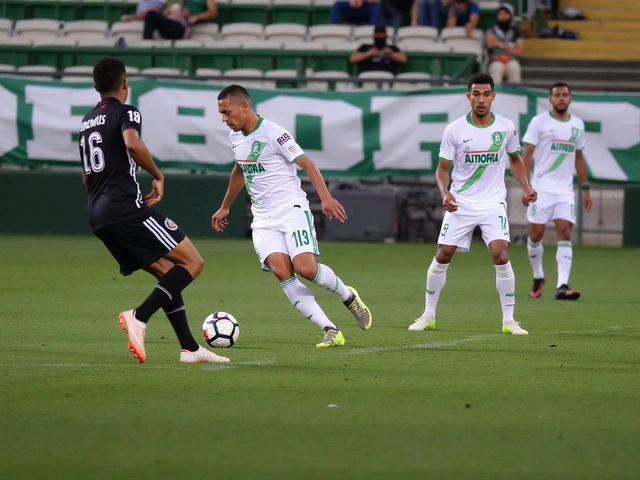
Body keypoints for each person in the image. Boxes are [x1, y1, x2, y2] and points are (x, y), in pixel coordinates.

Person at [80, 56, 228, 364]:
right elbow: (132, 143)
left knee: (167, 272)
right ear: (125, 85)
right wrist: (158, 176)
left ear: (96, 87)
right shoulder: (126, 112)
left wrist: (102, 204)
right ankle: (139, 316)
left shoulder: (87, 121)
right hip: (125, 208)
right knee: (192, 263)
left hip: (97, 213)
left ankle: (190, 348)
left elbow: (86, 174)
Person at [212, 85, 372, 348]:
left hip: (290, 210)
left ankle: (348, 295)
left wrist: (326, 197)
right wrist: (226, 206)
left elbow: (307, 163)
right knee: (280, 270)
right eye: (220, 114)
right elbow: (240, 169)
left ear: (244, 107)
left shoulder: (275, 133)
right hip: (263, 219)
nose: (224, 119)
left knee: (306, 269)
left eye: (227, 112)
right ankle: (330, 329)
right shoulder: (236, 138)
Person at [408, 73, 537, 335]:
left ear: (493, 96)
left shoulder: (505, 127)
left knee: (501, 254)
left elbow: (514, 159)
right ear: (468, 96)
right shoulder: (454, 129)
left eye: (486, 94)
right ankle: (428, 315)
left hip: (492, 202)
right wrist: (445, 193)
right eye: (476, 94)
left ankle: (509, 321)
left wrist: (526, 185)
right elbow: (442, 169)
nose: (481, 99)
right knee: (443, 254)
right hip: (461, 202)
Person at [522, 82, 591, 300]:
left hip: (564, 190)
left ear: (570, 99)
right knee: (536, 235)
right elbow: (526, 155)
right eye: (557, 95)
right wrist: (526, 186)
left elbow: (579, 157)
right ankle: (538, 275)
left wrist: (585, 187)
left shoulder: (577, 125)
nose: (561, 98)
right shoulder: (539, 122)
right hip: (540, 187)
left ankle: (562, 285)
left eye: (564, 95)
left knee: (564, 232)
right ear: (551, 99)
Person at [485, 3, 524, 85]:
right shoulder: (491, 31)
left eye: (506, 14)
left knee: (514, 67)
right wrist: (509, 50)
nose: (503, 16)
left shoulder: (515, 32)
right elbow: (490, 53)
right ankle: (496, 96)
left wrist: (501, 45)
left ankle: (515, 96)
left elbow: (520, 53)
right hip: (496, 61)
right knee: (497, 68)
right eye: (500, 14)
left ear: (510, 15)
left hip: (512, 60)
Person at [143, 0, 217, 40]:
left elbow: (213, 12)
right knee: (151, 14)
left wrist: (196, 17)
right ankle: (146, 45)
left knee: (151, 15)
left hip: (180, 26)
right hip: (169, 20)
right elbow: (165, 13)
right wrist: (169, 10)